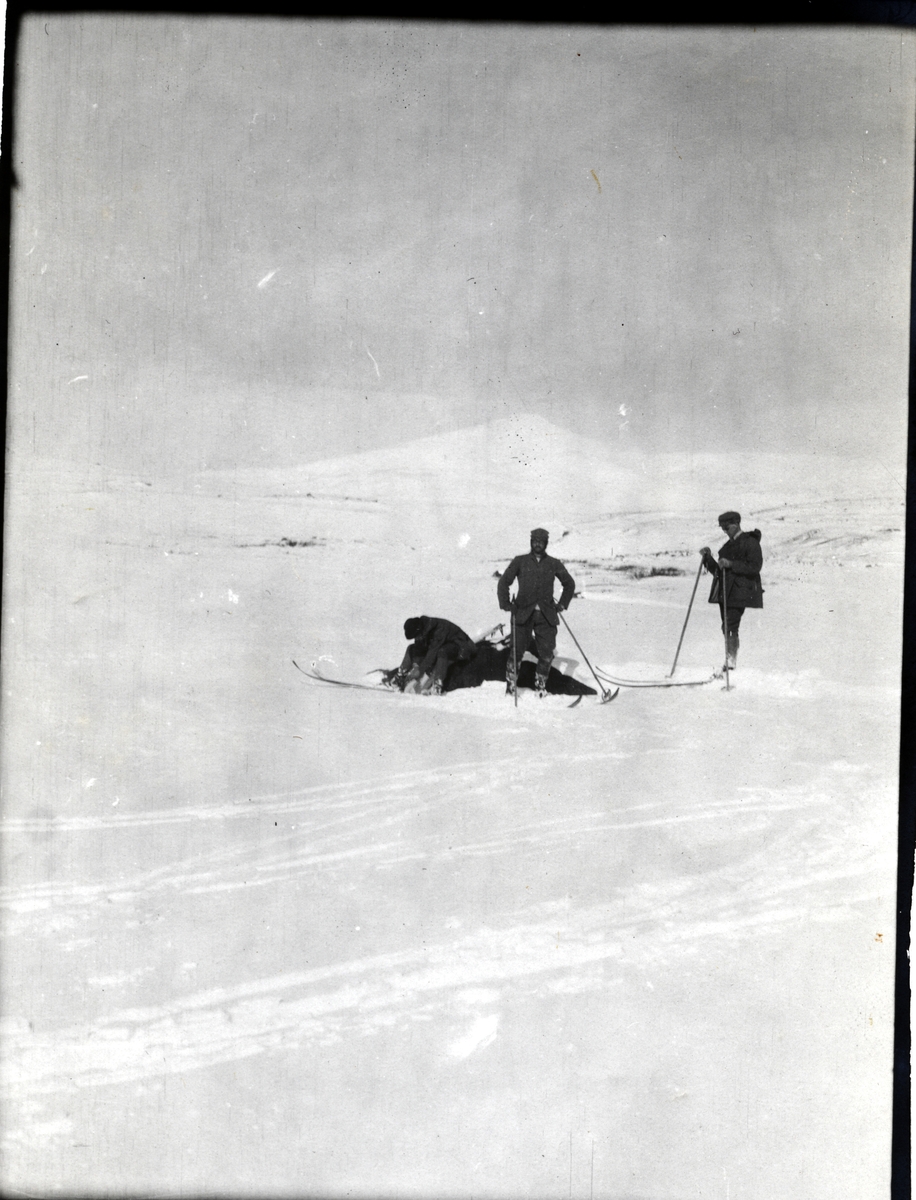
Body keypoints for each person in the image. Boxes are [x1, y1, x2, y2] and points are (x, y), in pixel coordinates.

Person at [497, 527, 576, 696]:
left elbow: (569, 584)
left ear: (546, 543)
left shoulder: (554, 563)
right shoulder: (520, 561)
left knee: (547, 653)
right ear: (531, 542)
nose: (537, 544)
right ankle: (511, 686)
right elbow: (504, 582)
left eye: (541, 541)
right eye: (534, 541)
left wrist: (562, 604)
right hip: (522, 614)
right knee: (516, 652)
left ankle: (540, 686)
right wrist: (506, 604)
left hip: (546, 616)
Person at [700, 511, 763, 670]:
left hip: (740, 591)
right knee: (726, 625)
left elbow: (755, 567)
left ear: (736, 525)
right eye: (723, 528)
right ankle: (730, 661)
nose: (725, 531)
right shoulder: (726, 547)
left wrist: (731, 564)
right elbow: (718, 572)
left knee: (730, 624)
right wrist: (707, 559)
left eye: (727, 528)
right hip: (726, 591)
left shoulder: (750, 543)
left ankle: (731, 663)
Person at [392, 616, 477, 695]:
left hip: (462, 646)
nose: (416, 639)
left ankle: (437, 684)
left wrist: (420, 671)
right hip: (443, 645)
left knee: (442, 652)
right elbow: (418, 649)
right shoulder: (422, 630)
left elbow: (432, 654)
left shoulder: (439, 630)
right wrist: (416, 666)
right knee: (411, 648)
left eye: (416, 636)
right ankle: (400, 677)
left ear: (420, 631)